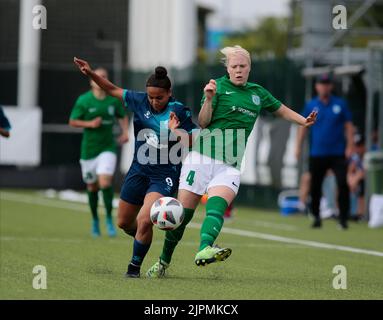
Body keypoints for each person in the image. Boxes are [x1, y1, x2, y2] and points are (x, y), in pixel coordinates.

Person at [146, 45, 317, 277]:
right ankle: (163, 262)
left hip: (231, 164)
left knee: (217, 207)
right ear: (227, 68)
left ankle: (204, 248)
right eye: (234, 66)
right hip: (202, 158)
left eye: (242, 66)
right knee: (182, 217)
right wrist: (208, 99)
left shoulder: (258, 93)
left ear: (249, 68)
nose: (238, 70)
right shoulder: (216, 87)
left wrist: (303, 121)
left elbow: (281, 110)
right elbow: (204, 123)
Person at [73, 57, 197, 278]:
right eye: (151, 97)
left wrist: (175, 130)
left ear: (169, 93)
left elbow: (192, 141)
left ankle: (133, 268)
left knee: (143, 219)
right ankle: (143, 234)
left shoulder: (179, 111)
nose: (154, 101)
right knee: (124, 222)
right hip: (138, 170)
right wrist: (91, 74)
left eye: (159, 97)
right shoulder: (139, 101)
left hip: (164, 174)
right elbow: (112, 89)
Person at [69, 67, 129, 238]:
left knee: (105, 182)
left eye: (104, 76)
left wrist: (125, 132)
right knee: (92, 186)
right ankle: (95, 219)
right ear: (92, 81)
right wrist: (89, 124)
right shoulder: (84, 100)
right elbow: (72, 121)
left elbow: (122, 116)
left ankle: (109, 220)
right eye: (98, 76)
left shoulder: (112, 100)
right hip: (88, 150)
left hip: (107, 147)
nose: (101, 78)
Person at [296, 73, 354, 230]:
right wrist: (298, 147)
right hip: (317, 153)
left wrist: (350, 146)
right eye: (321, 84)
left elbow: (349, 126)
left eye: (327, 84)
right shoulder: (311, 105)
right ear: (317, 86)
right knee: (315, 185)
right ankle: (316, 216)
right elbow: (303, 126)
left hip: (337, 153)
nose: (324, 87)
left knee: (342, 183)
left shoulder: (340, 104)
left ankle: (343, 218)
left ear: (331, 86)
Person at [347, 133, 366, 220]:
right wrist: (351, 179)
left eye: (360, 146)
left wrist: (356, 178)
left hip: (368, 180)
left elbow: (366, 172)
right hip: (357, 181)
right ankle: (352, 212)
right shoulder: (355, 156)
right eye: (356, 146)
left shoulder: (370, 153)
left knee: (359, 180)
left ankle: (360, 213)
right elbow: (350, 170)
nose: (358, 149)